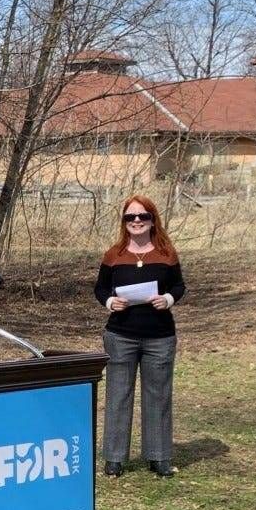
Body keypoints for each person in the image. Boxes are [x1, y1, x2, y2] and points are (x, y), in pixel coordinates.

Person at [94, 194, 185, 478]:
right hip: (121, 336)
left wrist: (168, 299)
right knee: (118, 395)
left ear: (153, 220)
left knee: (158, 396)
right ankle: (114, 458)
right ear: (124, 222)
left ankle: (158, 457)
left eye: (143, 216)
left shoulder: (167, 253)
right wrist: (111, 302)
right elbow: (100, 289)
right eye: (130, 217)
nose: (136, 221)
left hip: (160, 337)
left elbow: (179, 286)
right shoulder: (114, 255)